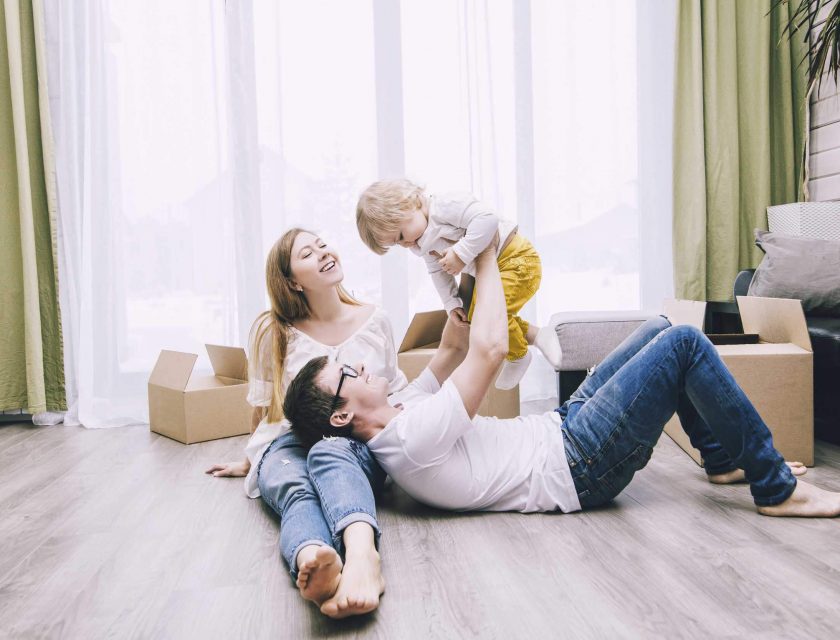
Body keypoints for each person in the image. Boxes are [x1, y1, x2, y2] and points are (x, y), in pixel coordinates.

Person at [283, 245, 840, 519]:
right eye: (347, 373)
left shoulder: (403, 407)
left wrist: (439, 257)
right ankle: (776, 489)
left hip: (561, 429)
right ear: (341, 415)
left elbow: (455, 346)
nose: (360, 366)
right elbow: (490, 348)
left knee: (663, 328)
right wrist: (487, 254)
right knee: (686, 346)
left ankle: (721, 460)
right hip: (578, 465)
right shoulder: (410, 438)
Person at [205, 228, 408, 618]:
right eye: (307, 253)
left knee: (332, 455)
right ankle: (314, 561)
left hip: (354, 444)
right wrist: (250, 461)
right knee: (296, 487)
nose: (322, 252)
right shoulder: (273, 331)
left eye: (322, 244)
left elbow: (394, 389)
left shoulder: (376, 319)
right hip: (290, 441)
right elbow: (264, 406)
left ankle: (363, 557)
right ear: (292, 281)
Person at [355, 178, 561, 389]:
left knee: (491, 317)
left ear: (407, 204)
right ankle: (536, 335)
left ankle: (518, 355)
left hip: (517, 261)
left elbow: (487, 219)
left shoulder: (444, 207)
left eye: (400, 235)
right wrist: (451, 303)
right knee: (476, 320)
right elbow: (437, 271)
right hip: (494, 272)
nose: (405, 244)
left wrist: (461, 253)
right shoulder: (422, 241)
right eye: (397, 243)